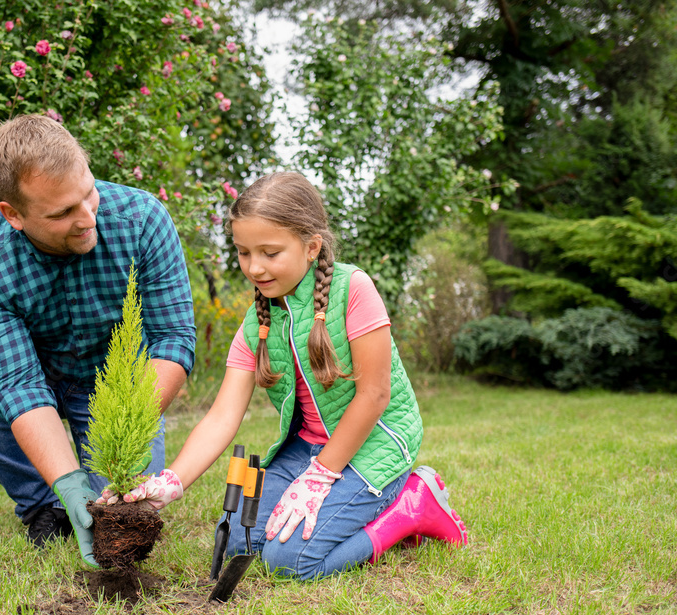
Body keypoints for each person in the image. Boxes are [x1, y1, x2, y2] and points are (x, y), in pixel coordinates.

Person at [106, 171, 468, 579]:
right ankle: (350, 496)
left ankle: (412, 508)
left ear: (312, 247)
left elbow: (375, 395)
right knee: (240, 545)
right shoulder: (254, 324)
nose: (254, 267)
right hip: (304, 448)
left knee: (291, 561)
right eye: (243, 252)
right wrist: (172, 480)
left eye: (270, 253)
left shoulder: (353, 289)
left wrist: (322, 476)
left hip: (372, 444)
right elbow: (223, 416)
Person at [0, 115, 196, 567]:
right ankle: (44, 504)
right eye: (61, 213)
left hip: (121, 389)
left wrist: (123, 426)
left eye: (88, 193)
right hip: (41, 378)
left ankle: (94, 489)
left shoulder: (143, 218)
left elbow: (173, 342)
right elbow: (20, 385)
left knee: (121, 503)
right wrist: (67, 481)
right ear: (13, 214)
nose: (87, 218)